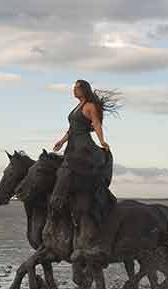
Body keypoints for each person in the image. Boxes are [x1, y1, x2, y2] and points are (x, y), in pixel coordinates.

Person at [50, 79, 120, 266]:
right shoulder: (77, 107)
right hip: (72, 145)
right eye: (73, 87)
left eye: (77, 87)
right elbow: (72, 129)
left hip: (83, 147)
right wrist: (62, 141)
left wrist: (102, 141)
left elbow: (96, 123)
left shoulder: (89, 106)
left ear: (84, 90)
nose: (74, 90)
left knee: (71, 173)